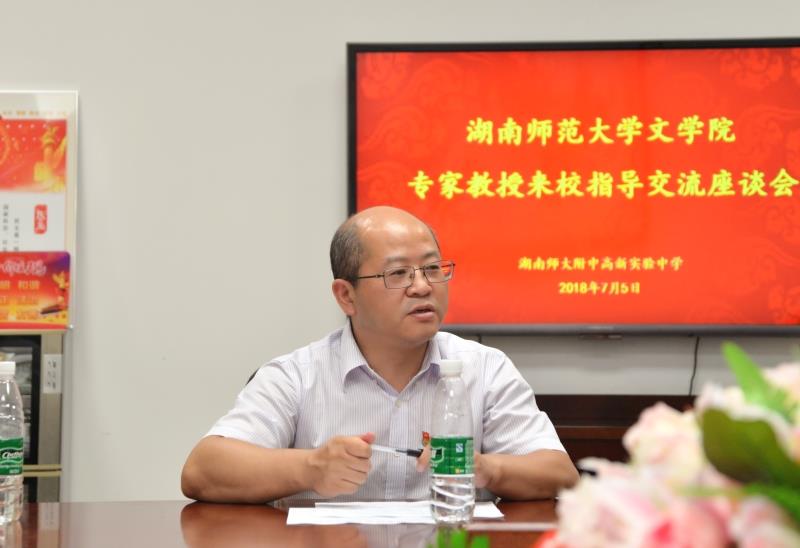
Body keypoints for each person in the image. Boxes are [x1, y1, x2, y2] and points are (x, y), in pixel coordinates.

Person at [181, 206, 578, 503]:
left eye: (432, 268)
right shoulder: (297, 375)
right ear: (346, 296)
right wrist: (311, 468)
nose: (422, 286)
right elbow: (202, 470)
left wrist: (487, 468)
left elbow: (560, 474)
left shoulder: (484, 368)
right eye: (398, 274)